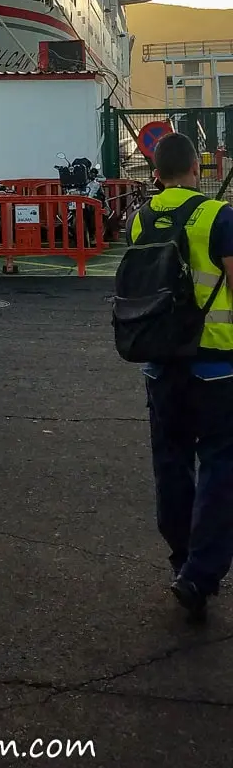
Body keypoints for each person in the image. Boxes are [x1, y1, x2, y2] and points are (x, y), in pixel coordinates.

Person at [129, 132, 233, 619]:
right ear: (196, 168)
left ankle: (181, 558)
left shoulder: (140, 220)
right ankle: (200, 573)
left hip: (159, 363)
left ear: (156, 174)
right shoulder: (218, 217)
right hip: (215, 366)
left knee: (171, 465)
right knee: (220, 466)